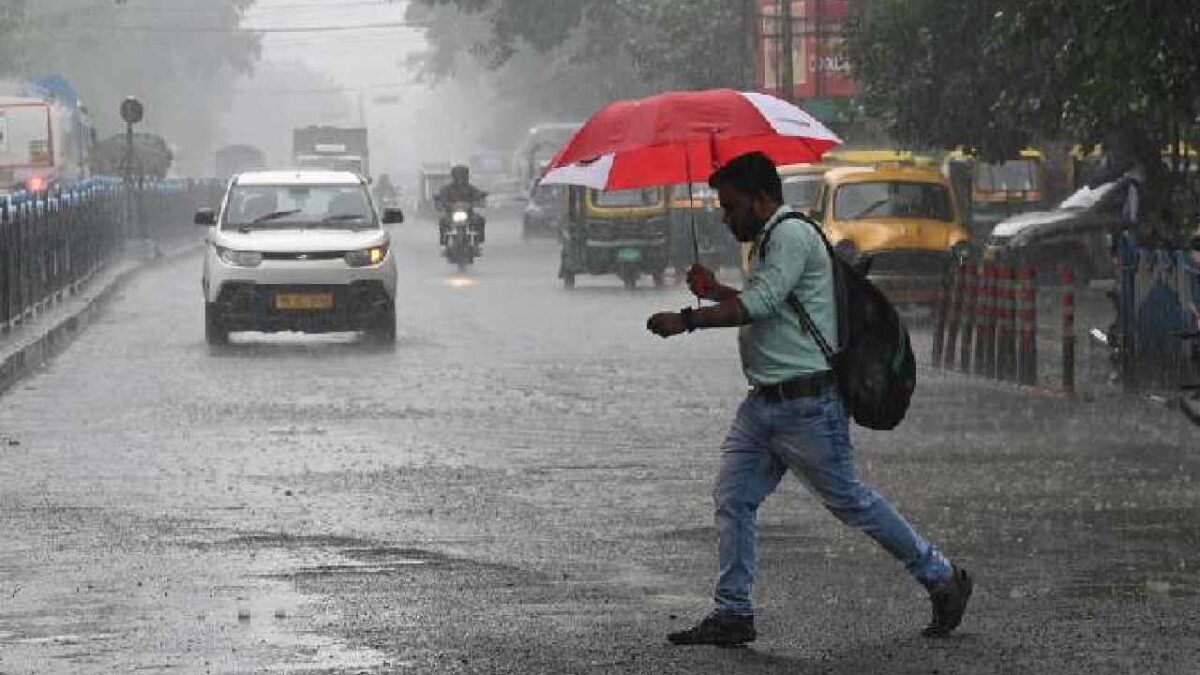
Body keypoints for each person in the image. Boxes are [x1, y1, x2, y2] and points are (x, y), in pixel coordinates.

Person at [646, 152, 972, 647]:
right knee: (734, 498)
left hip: (806, 404)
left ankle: (943, 577)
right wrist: (714, 290)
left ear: (761, 199)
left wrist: (687, 319)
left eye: (732, 207)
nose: (726, 217)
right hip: (764, 406)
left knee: (851, 502)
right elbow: (776, 307)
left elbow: (760, 304)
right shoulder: (770, 240)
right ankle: (733, 612)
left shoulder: (791, 234)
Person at [434, 164, 488, 245]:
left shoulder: (470, 188)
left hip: (469, 214)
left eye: (463, 176)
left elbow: (478, 195)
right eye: (458, 176)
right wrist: (440, 202)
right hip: (451, 214)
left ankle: (479, 239)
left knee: (480, 220)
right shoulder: (446, 189)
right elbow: (441, 198)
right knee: (442, 222)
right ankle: (444, 241)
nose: (461, 179)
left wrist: (481, 197)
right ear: (454, 177)